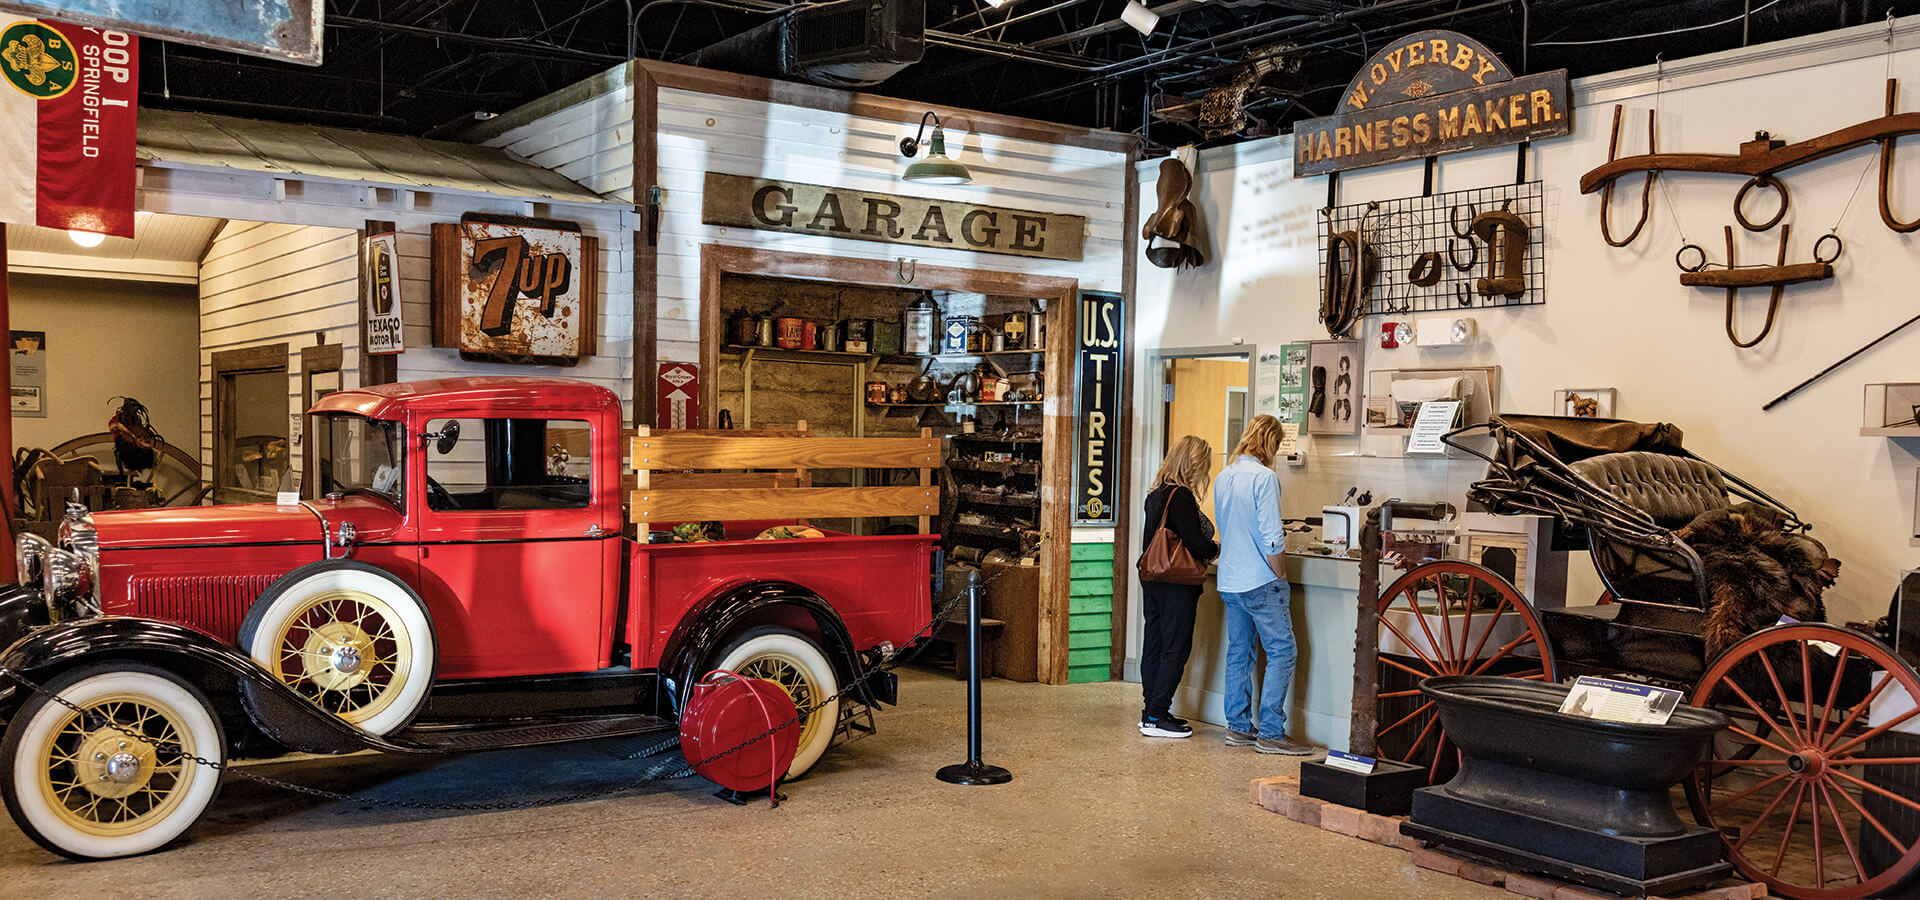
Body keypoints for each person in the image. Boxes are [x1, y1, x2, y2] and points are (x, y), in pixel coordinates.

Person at [1212, 415, 1314, 755]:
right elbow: (1272, 536)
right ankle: (1271, 731)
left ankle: (1238, 727)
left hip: (1230, 580)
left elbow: (1225, 527)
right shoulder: (1265, 478)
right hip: (1261, 580)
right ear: (1270, 442)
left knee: (1239, 653)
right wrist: (1279, 574)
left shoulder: (1224, 476)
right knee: (1283, 651)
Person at [1136, 435, 1219, 738]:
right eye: (1204, 463)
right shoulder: (1181, 496)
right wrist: (1215, 549)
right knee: (1175, 646)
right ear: (1193, 463)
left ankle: (1151, 711)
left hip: (1152, 578)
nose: (1206, 470)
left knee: (1154, 643)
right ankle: (1157, 715)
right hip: (1177, 582)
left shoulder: (1155, 494)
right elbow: (1196, 543)